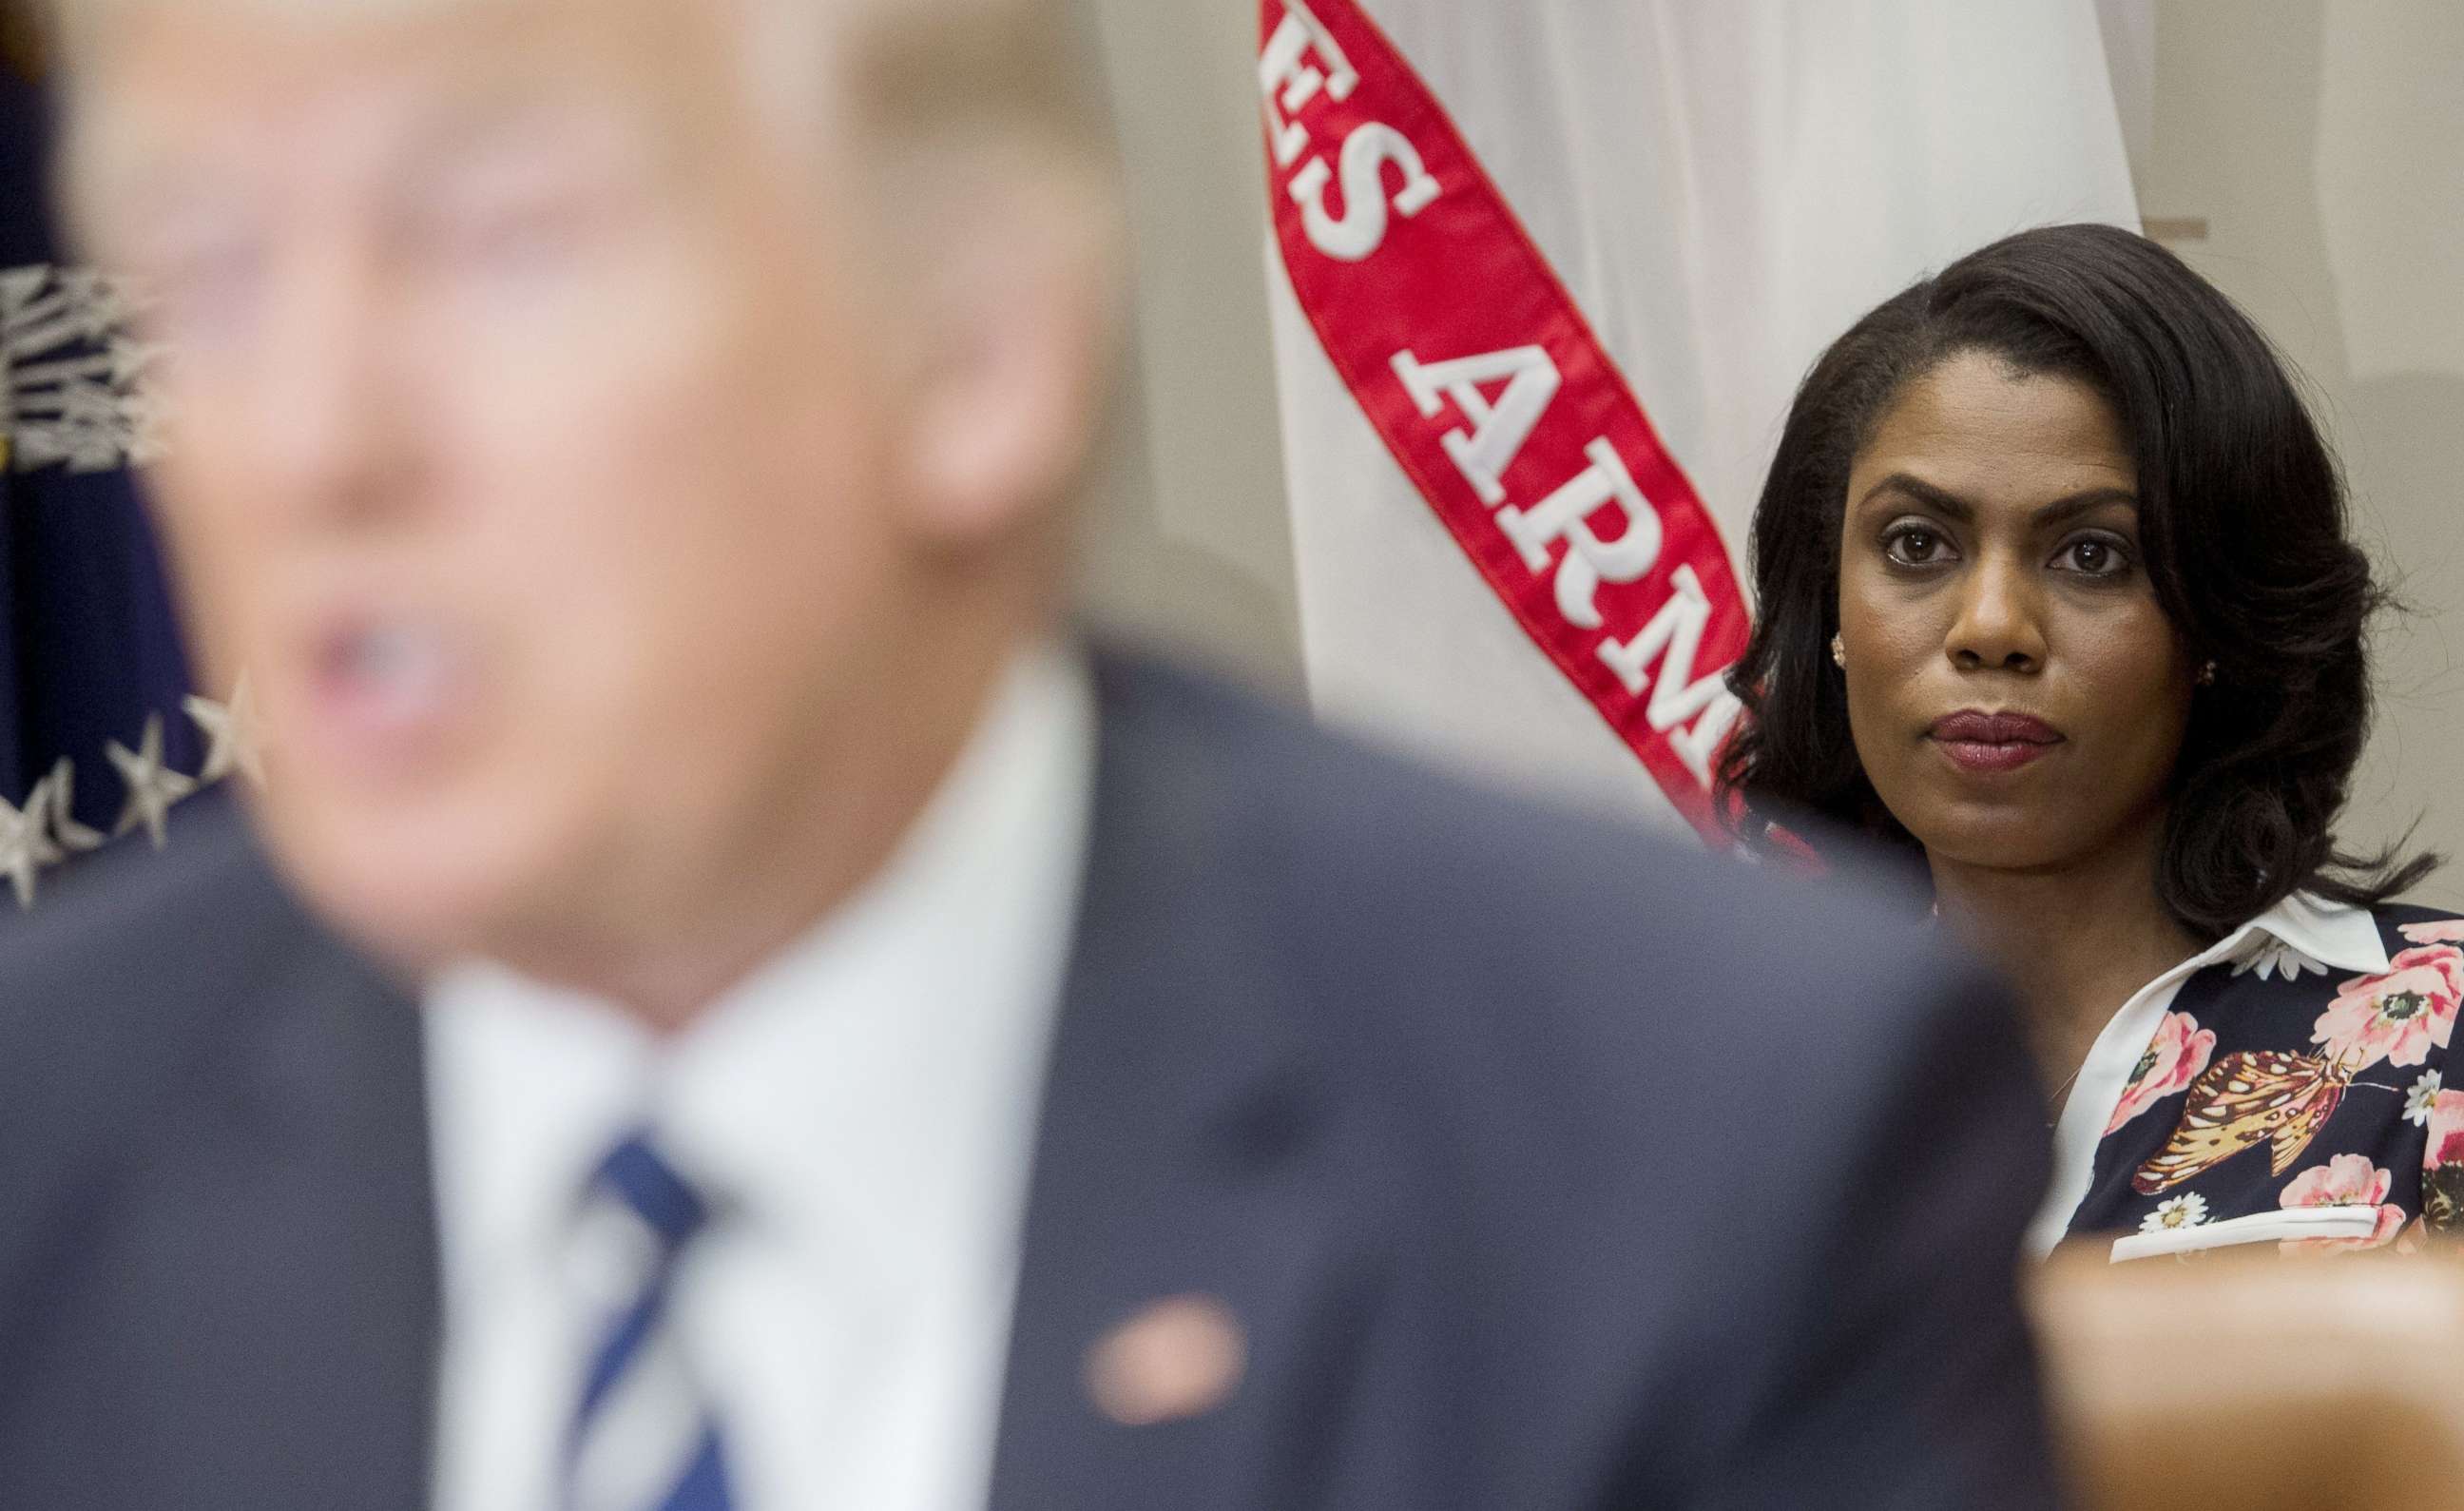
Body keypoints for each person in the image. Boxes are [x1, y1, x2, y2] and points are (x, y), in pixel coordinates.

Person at [0, 1, 2058, 1506]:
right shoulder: (49, 1145)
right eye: (210, 276)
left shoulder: (1694, 1149)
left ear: (978, 352)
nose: (307, 439)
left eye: (502, 243)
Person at [1721, 222, 2461, 1262]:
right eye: (1917, 544)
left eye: (2091, 554)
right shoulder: (1723, 1091)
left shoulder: (2445, 1032)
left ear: (2214, 622)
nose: (1990, 627)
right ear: (1829, 608)